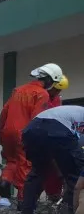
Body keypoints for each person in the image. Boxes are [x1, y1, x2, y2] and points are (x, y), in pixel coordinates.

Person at [0, 63, 64, 206]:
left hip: (7, 131)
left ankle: (5, 180)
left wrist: (1, 133)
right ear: (48, 79)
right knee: (25, 165)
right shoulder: (42, 94)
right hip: (24, 132)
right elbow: (37, 119)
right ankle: (23, 200)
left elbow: (4, 112)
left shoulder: (18, 90)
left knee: (11, 161)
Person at [20, 105, 84, 214]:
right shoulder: (77, 116)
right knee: (75, 174)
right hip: (56, 129)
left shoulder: (73, 113)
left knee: (37, 171)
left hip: (31, 130)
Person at [42, 75, 70, 203]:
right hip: (43, 135)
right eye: (57, 89)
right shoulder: (43, 97)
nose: (58, 93)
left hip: (56, 135)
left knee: (57, 165)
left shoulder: (58, 99)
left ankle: (55, 195)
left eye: (60, 91)